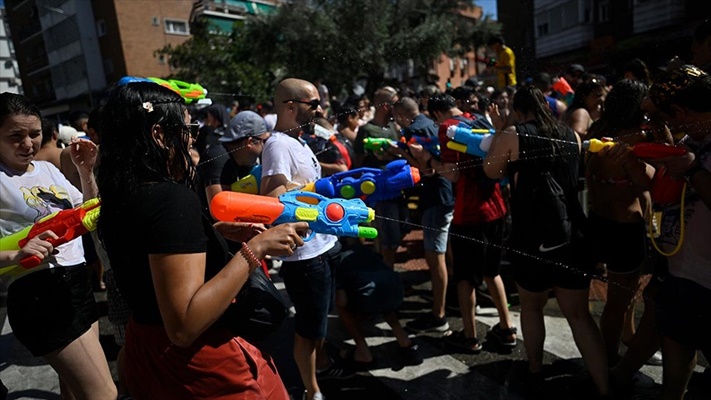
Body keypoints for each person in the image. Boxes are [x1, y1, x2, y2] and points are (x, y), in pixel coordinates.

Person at [97, 80, 306, 399]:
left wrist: (211, 233)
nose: (192, 138)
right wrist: (256, 249)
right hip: (198, 367)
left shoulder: (119, 195)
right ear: (158, 135)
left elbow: (149, 253)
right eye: (186, 128)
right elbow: (183, 326)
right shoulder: (170, 199)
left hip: (147, 351)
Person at [482, 86, 609, 397]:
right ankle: (605, 387)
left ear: (519, 109)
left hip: (531, 236)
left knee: (531, 307)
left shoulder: (514, 134)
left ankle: (535, 370)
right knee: (579, 316)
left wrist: (501, 131)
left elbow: (491, 171)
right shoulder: (572, 135)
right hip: (571, 233)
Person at [0, 92, 116, 400]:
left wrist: (86, 171)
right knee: (102, 392)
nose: (28, 144)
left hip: (76, 281)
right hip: (39, 292)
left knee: (75, 393)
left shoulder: (47, 170)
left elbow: (89, 212)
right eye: (16, 136)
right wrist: (17, 254)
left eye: (34, 134)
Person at [260, 78, 352, 400]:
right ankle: (311, 391)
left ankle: (322, 365)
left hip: (323, 246)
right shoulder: (277, 145)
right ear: (290, 106)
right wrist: (316, 192)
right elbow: (273, 201)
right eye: (314, 103)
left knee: (317, 325)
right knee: (307, 329)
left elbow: (305, 181)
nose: (320, 109)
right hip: (305, 256)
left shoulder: (297, 140)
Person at [412, 94, 516, 353]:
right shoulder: (478, 119)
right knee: (493, 272)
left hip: (469, 213)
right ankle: (507, 328)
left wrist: (428, 159)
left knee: (465, 279)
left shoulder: (448, 129)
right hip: (497, 207)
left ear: (436, 113)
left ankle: (470, 337)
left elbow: (453, 174)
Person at [645, 65, 711, 400]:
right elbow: (664, 192)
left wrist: (693, 168)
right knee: (677, 358)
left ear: (683, 111)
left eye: (670, 119)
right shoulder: (689, 140)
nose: (670, 128)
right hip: (681, 273)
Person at [585, 79, 655, 364]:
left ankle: (627, 339)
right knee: (618, 302)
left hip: (600, 221)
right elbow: (650, 182)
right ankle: (610, 360)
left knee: (623, 297)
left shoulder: (598, 132)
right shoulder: (633, 140)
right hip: (626, 228)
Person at [391, 97, 454, 333]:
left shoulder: (412, 130)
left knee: (434, 256)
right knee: (444, 253)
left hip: (435, 198)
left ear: (400, 115)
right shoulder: (431, 123)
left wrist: (399, 151)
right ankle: (449, 302)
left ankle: (439, 315)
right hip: (445, 194)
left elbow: (425, 169)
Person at [353, 86, 405, 268]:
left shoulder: (393, 127)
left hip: (396, 188)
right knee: (386, 237)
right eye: (394, 103)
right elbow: (357, 162)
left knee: (398, 232)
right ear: (385, 105)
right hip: (377, 191)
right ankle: (386, 273)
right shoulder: (367, 130)